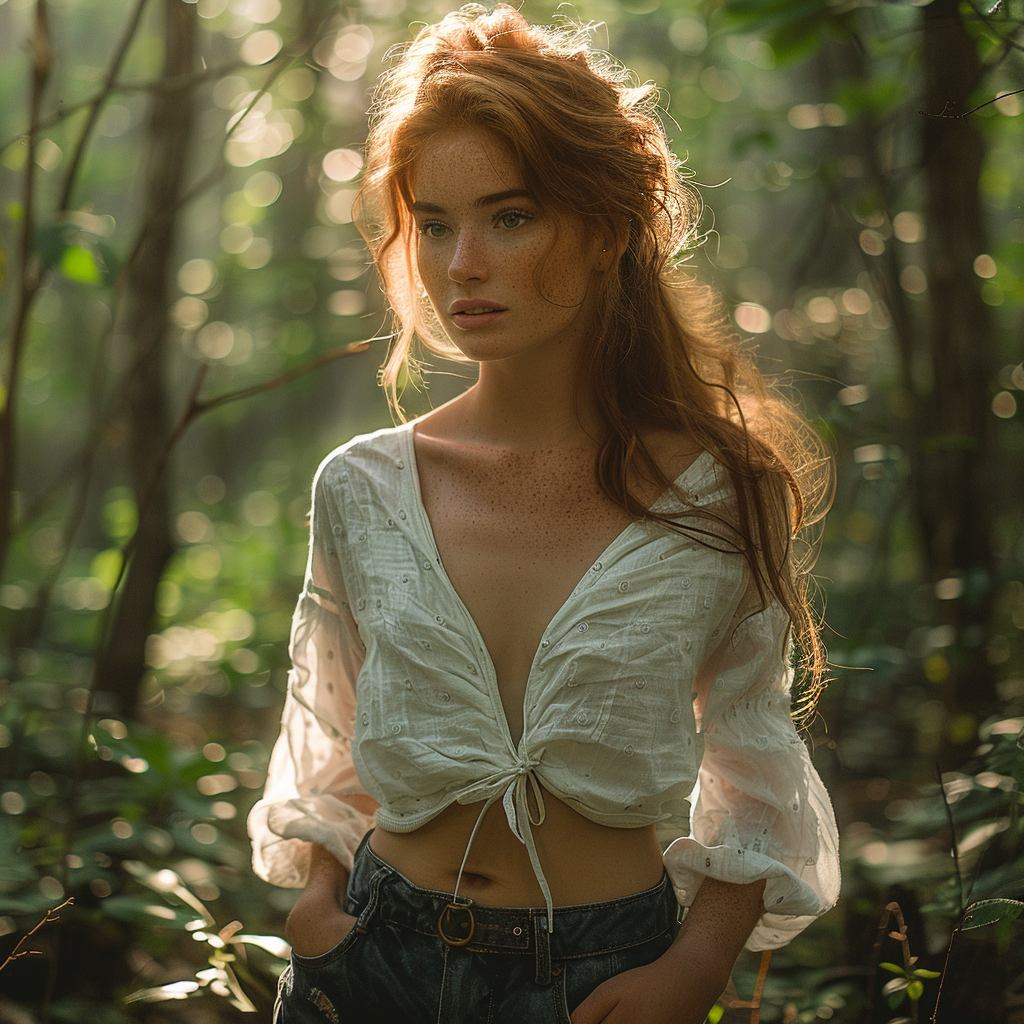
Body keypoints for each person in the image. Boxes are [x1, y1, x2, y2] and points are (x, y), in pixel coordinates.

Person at [248, 6, 840, 1022]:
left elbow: (753, 770)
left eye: (509, 216)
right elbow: (333, 742)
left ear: (607, 227)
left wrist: (688, 971)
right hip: (370, 961)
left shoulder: (720, 490)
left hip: (605, 977)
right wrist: (315, 904)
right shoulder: (363, 484)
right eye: (433, 224)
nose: (461, 264)